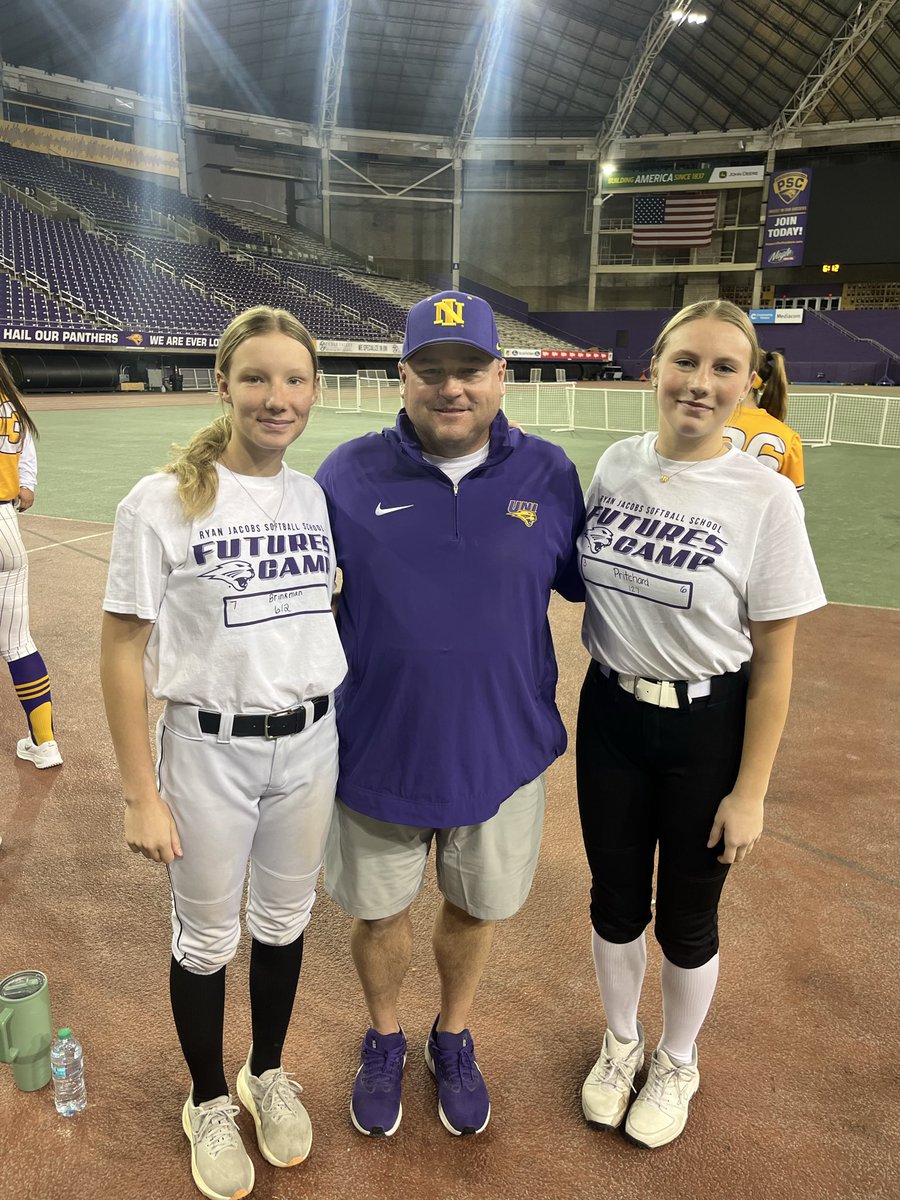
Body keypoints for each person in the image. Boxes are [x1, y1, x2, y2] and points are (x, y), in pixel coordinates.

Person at [315, 290, 585, 1139]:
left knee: (476, 909)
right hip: (377, 750)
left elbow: (600, 589)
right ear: (402, 376)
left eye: (469, 368)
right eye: (430, 371)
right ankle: (386, 1037)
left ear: (502, 373)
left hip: (500, 752)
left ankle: (453, 1035)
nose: (451, 387)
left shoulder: (550, 474)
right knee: (378, 913)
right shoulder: (344, 475)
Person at [100, 306, 347, 1200]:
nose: (276, 397)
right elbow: (122, 649)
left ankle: (265, 1072)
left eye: (293, 380)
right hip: (209, 752)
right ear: (223, 385)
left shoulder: (313, 496)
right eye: (256, 378)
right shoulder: (160, 501)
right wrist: (139, 791)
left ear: (314, 392)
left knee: (284, 925)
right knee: (207, 938)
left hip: (311, 744)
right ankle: (207, 1097)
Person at [576, 299, 826, 1150]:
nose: (700, 382)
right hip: (610, 713)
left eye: (724, 368)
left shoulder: (766, 498)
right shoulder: (615, 464)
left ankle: (677, 1057)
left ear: (748, 385)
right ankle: (620, 1044)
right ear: (655, 367)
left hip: (705, 729)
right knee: (614, 901)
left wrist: (750, 791)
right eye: (686, 361)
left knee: (687, 915)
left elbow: (777, 661)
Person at [0, 352, 63, 769]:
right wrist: (27, 484)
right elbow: (26, 452)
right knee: (18, 642)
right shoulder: (9, 399)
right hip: (6, 527)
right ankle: (45, 745)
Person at [724, 349, 805, 489]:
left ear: (750, 379)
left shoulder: (708, 421)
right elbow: (789, 499)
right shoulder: (787, 438)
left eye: (725, 369)